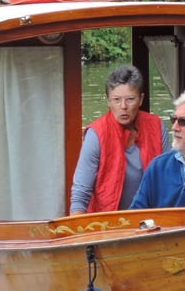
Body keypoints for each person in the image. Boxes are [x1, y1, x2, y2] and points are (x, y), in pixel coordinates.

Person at [69, 65, 171, 214]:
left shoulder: (156, 126)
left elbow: (169, 177)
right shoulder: (96, 134)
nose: (123, 106)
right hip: (106, 223)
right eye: (116, 100)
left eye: (130, 99)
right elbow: (80, 193)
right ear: (108, 101)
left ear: (141, 99)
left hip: (150, 220)